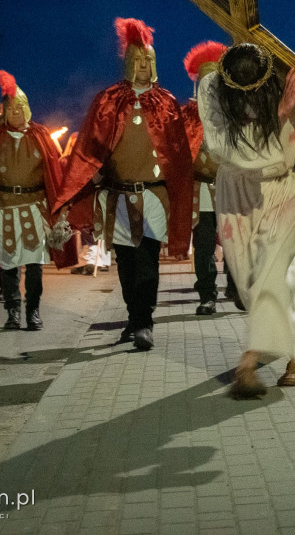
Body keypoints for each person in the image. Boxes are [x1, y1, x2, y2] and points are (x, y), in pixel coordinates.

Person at [198, 43, 295, 398]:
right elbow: (224, 147)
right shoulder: (213, 88)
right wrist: (279, 113)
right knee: (249, 284)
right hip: (236, 192)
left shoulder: (288, 80)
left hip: (281, 190)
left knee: (275, 275)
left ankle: (256, 361)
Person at [53, 18, 193, 350]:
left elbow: (179, 156)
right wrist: (93, 174)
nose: (144, 66)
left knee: (147, 262)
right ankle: (134, 317)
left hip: (153, 197)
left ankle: (144, 322)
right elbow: (90, 148)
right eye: (138, 60)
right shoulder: (108, 101)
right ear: (129, 62)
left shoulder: (167, 103)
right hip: (118, 197)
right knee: (127, 265)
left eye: (149, 60)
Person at [0, 70, 67, 330]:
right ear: (4, 112)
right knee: (8, 265)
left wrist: (59, 210)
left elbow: (54, 174)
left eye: (19, 108)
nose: (15, 113)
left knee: (35, 264)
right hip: (4, 207)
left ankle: (33, 311)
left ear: (27, 108)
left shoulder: (41, 135)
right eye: (10, 109)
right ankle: (13, 311)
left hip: (34, 208)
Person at [181, 40, 230, 316]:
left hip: (228, 188)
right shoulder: (187, 116)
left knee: (235, 242)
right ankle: (208, 294)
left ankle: (236, 287)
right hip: (201, 191)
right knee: (203, 246)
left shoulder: (232, 115)